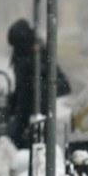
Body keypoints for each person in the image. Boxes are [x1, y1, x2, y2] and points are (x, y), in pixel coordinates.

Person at [7, 18, 71, 149]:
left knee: (23, 142)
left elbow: (62, 84)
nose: (14, 49)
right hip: (26, 109)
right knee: (17, 141)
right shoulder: (23, 55)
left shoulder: (37, 56)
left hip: (36, 110)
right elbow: (21, 87)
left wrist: (39, 90)